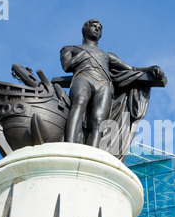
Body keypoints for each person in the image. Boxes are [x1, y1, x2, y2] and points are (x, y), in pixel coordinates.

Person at [60, 19, 164, 148]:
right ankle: (68, 145)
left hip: (103, 85)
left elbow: (130, 69)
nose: (97, 29)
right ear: (84, 29)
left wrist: (150, 68)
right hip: (83, 77)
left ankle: (93, 152)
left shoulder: (107, 55)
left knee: (99, 120)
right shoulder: (70, 48)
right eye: (94, 26)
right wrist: (86, 54)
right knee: (79, 104)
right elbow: (66, 66)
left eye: (100, 28)